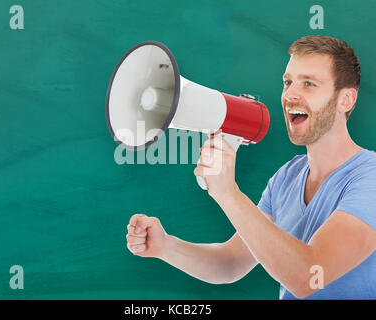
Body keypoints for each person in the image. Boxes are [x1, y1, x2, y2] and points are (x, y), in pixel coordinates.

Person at [125, 35, 376, 299]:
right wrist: (166, 247)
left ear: (345, 100)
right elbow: (230, 263)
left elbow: (309, 276)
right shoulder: (286, 178)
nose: (290, 94)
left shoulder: (370, 177)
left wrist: (228, 193)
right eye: (287, 82)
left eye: (309, 83)